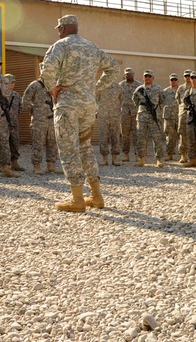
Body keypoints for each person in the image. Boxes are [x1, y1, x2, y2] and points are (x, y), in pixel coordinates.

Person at [40, 14, 120, 212]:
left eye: (59, 28)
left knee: (68, 150)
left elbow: (47, 70)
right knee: (85, 148)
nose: (59, 32)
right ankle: (96, 196)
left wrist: (52, 89)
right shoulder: (92, 47)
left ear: (64, 28)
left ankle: (77, 199)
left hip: (68, 106)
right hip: (88, 106)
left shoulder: (61, 45)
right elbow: (114, 69)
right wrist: (95, 88)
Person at [22, 69, 58, 174]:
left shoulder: (53, 86)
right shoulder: (34, 85)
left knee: (52, 143)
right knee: (38, 143)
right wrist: (34, 111)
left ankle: (51, 166)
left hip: (52, 120)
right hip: (39, 121)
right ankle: (36, 166)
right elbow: (25, 101)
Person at [132, 70, 165, 167]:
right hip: (142, 118)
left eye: (149, 76)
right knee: (141, 138)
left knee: (157, 139)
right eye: (145, 76)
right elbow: (135, 101)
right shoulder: (139, 90)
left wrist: (157, 112)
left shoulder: (158, 89)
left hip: (154, 118)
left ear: (153, 78)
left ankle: (159, 159)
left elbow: (162, 102)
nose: (147, 78)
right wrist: (142, 109)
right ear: (143, 78)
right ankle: (141, 159)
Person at [181, 72, 196, 167]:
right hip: (190, 118)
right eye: (192, 78)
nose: (193, 79)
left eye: (195, 77)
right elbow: (184, 103)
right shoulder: (188, 92)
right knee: (191, 139)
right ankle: (192, 159)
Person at [96, 81, 123, 166]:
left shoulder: (118, 87)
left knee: (115, 137)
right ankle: (104, 159)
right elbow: (95, 99)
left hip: (115, 116)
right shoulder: (99, 86)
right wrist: (99, 110)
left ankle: (115, 158)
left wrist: (116, 110)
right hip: (103, 116)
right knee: (103, 137)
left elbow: (121, 99)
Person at [3, 73, 25, 172]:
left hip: (14, 123)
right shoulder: (0, 95)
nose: (11, 84)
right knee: (2, 143)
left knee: (15, 142)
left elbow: (21, 108)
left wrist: (13, 116)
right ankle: (0, 163)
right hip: (2, 123)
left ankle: (14, 162)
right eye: (9, 82)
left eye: (13, 82)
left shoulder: (16, 96)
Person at [118, 68, 142, 162]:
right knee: (125, 135)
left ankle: (137, 154)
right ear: (125, 75)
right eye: (127, 74)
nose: (129, 75)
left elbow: (141, 98)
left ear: (133, 74)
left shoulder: (139, 86)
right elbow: (118, 98)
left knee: (136, 134)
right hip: (124, 113)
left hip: (135, 113)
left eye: (130, 74)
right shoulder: (121, 85)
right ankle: (126, 154)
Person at [160, 74, 180, 161]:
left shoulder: (181, 90)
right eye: (172, 80)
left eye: (175, 79)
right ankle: (169, 154)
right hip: (169, 117)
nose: (173, 81)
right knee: (170, 136)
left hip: (179, 116)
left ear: (178, 81)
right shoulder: (165, 91)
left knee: (183, 136)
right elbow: (161, 103)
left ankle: (184, 154)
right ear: (169, 81)